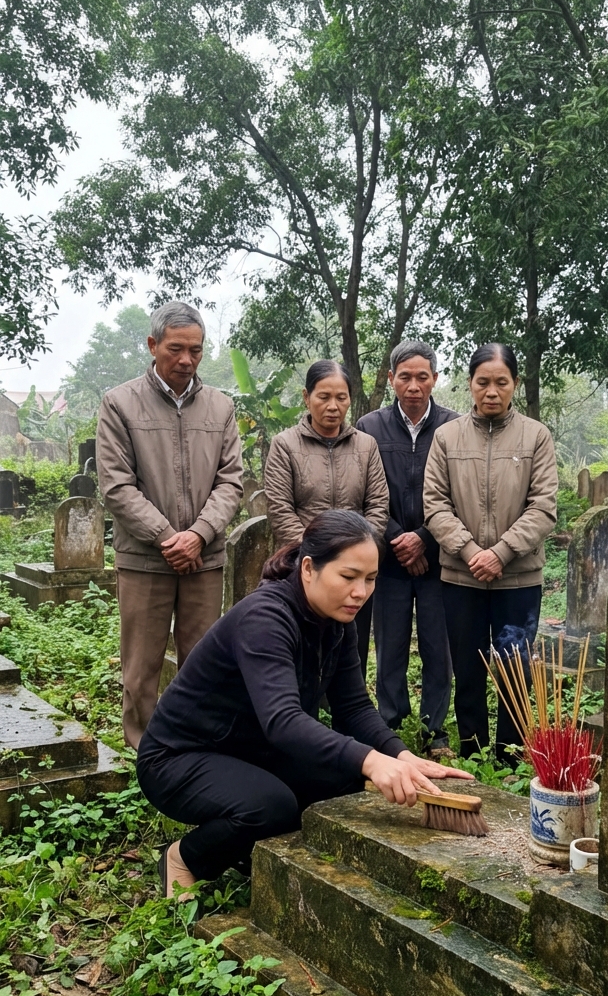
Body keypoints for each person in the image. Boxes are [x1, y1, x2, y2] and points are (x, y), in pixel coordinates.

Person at [136, 511, 473, 895]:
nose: (360, 592)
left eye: (370, 579)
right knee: (271, 806)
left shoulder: (338, 620)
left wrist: (399, 754)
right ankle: (186, 857)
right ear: (309, 568)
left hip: (254, 748)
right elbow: (283, 721)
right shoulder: (265, 618)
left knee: (345, 778)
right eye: (348, 577)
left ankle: (248, 849)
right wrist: (371, 760)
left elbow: (353, 708)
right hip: (179, 757)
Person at [96, 301, 243, 749]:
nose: (186, 360)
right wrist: (167, 538)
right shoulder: (120, 403)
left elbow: (230, 482)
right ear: (152, 345)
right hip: (144, 558)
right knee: (141, 664)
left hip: (204, 558)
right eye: (175, 349)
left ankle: (194, 746)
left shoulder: (220, 407)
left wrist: (198, 535)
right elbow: (116, 486)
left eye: (195, 350)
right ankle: (144, 749)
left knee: (202, 659)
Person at [423, 343, 558, 762]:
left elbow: (543, 507)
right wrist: (469, 551)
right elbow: (435, 504)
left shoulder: (536, 436)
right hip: (460, 577)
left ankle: (510, 754)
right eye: (483, 382)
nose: (492, 391)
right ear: (470, 384)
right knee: (467, 667)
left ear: (515, 383)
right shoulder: (447, 437)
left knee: (515, 669)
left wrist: (500, 553)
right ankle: (474, 751)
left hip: (517, 578)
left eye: (501, 382)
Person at [357, 339, 457, 756]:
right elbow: (366, 493)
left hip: (438, 558)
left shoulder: (453, 427)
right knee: (390, 645)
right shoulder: (369, 427)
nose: (413, 386)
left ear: (434, 379)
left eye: (422, 377)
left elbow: (458, 495)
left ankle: (436, 731)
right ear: (391, 379)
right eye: (405, 377)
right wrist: (400, 539)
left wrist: (425, 539)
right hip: (388, 557)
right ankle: (390, 723)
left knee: (438, 646)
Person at [264, 360, 389, 669]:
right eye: (324, 397)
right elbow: (280, 509)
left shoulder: (366, 446)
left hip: (354, 572)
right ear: (307, 398)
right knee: (302, 651)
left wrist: (356, 557)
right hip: (304, 568)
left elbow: (378, 504)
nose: (333, 406)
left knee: (350, 652)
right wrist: (315, 557)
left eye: (341, 397)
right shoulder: (285, 445)